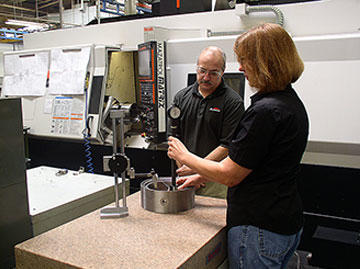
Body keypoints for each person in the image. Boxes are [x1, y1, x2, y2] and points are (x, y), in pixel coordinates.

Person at [168, 23, 308, 269]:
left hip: (259, 229)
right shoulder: (290, 102)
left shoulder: (264, 112)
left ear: (266, 62)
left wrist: (185, 157)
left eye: (246, 61)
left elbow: (230, 174)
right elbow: (250, 163)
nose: (241, 68)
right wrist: (200, 173)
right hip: (285, 221)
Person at [172, 46, 244, 199]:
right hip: (183, 174)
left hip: (214, 182)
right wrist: (184, 168)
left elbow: (226, 146)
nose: (205, 77)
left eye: (213, 73)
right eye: (202, 71)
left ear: (223, 72)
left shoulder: (233, 102)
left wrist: (197, 170)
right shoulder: (181, 97)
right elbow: (174, 138)